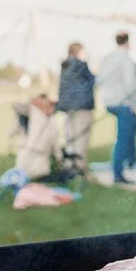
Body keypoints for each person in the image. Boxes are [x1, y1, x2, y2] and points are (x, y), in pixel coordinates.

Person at [97, 31, 136, 184]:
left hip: (109, 101)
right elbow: (132, 84)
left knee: (134, 124)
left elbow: (100, 79)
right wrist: (135, 103)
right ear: (128, 42)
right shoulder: (126, 59)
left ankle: (131, 159)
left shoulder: (107, 58)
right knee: (123, 138)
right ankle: (119, 171)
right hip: (123, 102)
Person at [55, 42, 95, 174]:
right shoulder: (81, 65)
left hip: (68, 108)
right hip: (82, 107)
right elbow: (92, 81)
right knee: (81, 138)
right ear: (78, 51)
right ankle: (80, 167)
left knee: (71, 137)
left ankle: (69, 165)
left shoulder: (65, 66)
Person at [15, 94, 61, 179]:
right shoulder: (48, 121)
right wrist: (59, 160)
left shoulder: (28, 114)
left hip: (24, 164)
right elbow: (55, 144)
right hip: (38, 165)